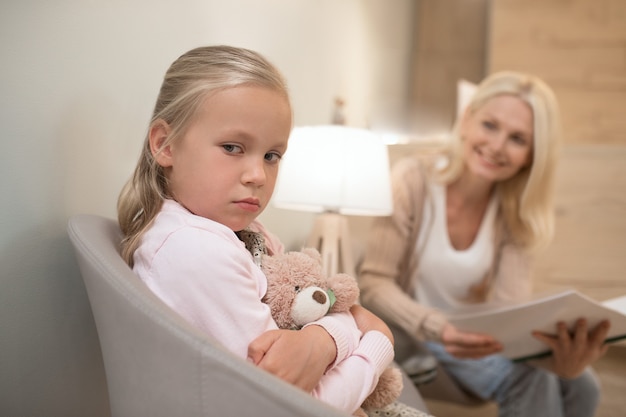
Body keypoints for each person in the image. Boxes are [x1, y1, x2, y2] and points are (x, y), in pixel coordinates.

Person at [117, 45, 429, 417]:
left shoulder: (244, 234)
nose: (258, 176)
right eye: (233, 147)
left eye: (272, 156)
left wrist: (323, 338)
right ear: (164, 144)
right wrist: (376, 341)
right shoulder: (194, 250)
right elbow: (299, 406)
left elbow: (319, 306)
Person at [358, 71, 611, 417]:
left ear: (531, 155)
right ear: (466, 120)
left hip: (470, 337)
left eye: (518, 139)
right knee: (533, 379)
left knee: (583, 382)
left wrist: (558, 359)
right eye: (490, 125)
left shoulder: (513, 213)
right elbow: (374, 282)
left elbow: (511, 308)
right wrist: (436, 326)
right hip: (413, 334)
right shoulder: (412, 180)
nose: (496, 146)